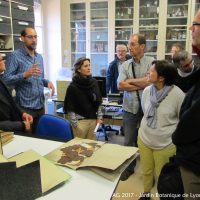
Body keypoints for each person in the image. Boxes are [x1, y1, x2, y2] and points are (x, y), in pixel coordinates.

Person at [138, 60, 185, 200]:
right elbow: (145, 113)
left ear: (161, 77)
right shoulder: (147, 91)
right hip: (144, 139)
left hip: (165, 144)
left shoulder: (178, 95)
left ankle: (161, 197)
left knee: (163, 176)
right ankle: (146, 193)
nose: (148, 72)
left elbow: (182, 120)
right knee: (146, 171)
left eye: (152, 71)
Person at [2, 27, 55, 133]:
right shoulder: (15, 56)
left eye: (35, 37)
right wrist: (24, 74)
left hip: (40, 106)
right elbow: (5, 80)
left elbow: (38, 78)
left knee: (41, 136)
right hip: (25, 108)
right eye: (30, 37)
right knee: (28, 139)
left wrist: (46, 82)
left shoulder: (39, 57)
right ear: (22, 38)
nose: (34, 40)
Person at [117, 33, 154, 181]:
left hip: (148, 109)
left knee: (148, 141)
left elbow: (151, 82)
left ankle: (149, 171)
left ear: (142, 46)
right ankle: (128, 168)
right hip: (129, 108)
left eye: (132, 44)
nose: (129, 47)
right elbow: (120, 85)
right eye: (129, 44)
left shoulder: (152, 63)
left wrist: (131, 81)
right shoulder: (124, 65)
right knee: (128, 141)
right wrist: (142, 82)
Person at [172, 10, 200, 198]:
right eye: (186, 65)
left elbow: (192, 121)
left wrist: (177, 136)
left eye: (195, 24)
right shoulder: (174, 78)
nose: (190, 28)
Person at [63, 57, 103, 140]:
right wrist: (76, 125)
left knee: (91, 147)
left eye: (89, 65)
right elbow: (70, 108)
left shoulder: (94, 83)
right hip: (80, 122)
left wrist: (99, 118)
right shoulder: (72, 86)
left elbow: (99, 102)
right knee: (78, 149)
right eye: (85, 66)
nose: (89, 68)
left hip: (93, 121)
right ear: (79, 69)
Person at [0, 54, 33, 132]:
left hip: (13, 126)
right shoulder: (15, 56)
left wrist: (22, 114)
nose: (4, 61)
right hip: (6, 133)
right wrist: (21, 125)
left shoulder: (1, 80)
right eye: (1, 60)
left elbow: (10, 102)